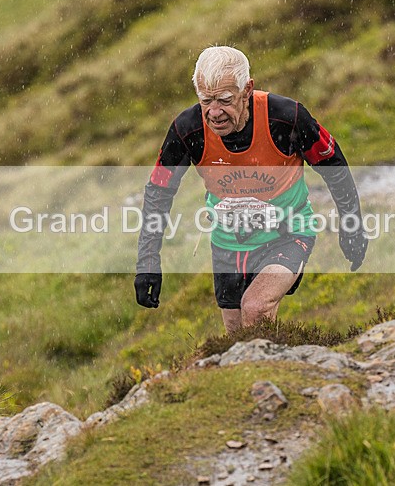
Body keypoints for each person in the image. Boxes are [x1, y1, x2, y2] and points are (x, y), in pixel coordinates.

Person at [134, 46, 368, 333]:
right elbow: (158, 192)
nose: (214, 112)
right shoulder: (188, 129)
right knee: (236, 337)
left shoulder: (286, 117)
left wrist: (352, 226)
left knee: (255, 308)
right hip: (228, 245)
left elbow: (334, 165)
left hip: (288, 234)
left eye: (225, 100)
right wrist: (148, 261)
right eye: (206, 100)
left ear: (247, 90)